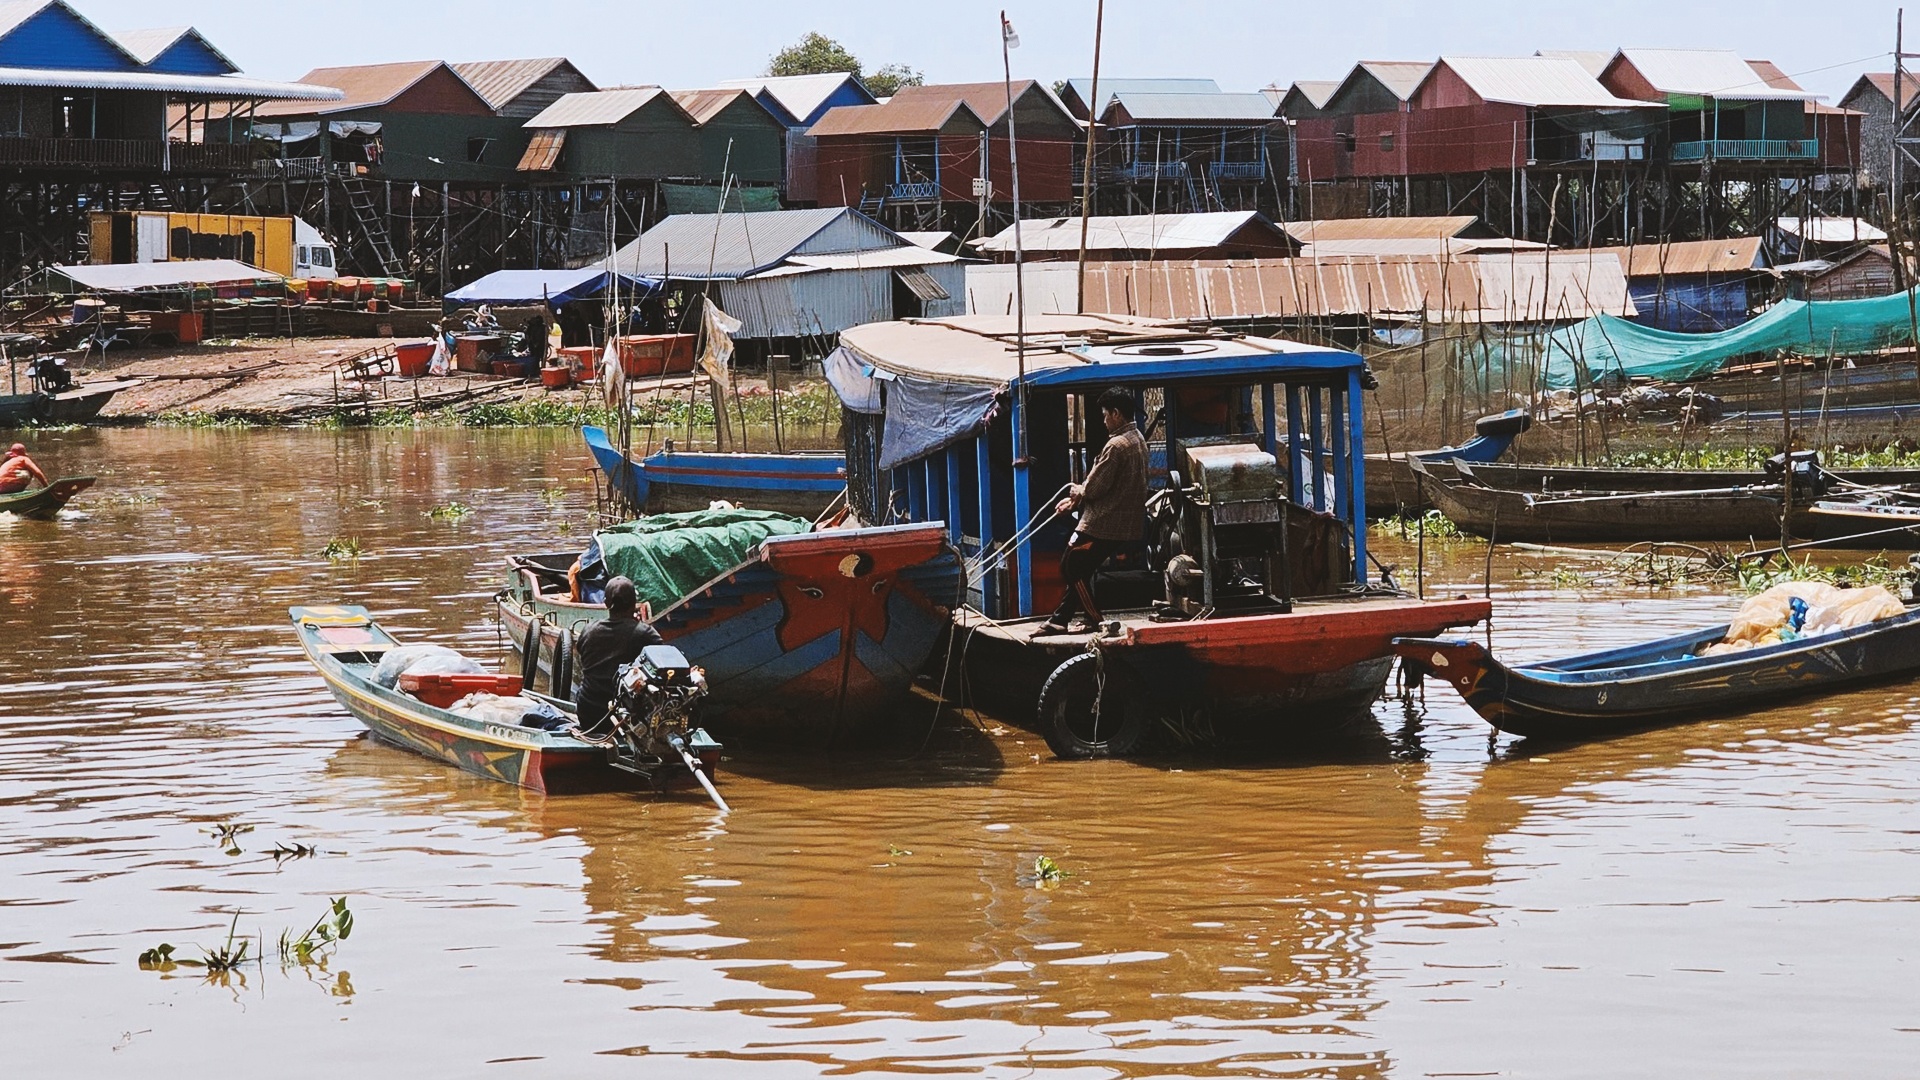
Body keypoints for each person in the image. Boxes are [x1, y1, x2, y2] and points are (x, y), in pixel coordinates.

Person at [1036, 386, 1148, 636]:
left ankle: (1094, 618)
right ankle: (1061, 618)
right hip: (1122, 521)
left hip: (1103, 521)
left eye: (1106, 415)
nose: (1104, 421)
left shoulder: (1116, 446)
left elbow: (1095, 487)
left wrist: (1076, 492)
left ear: (1116, 414)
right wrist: (1075, 501)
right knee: (1081, 568)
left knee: (1071, 564)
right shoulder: (1138, 439)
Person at [573, 576, 665, 731]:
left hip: (589, 713)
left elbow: (582, 655)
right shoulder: (644, 633)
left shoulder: (588, 630)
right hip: (628, 718)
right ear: (634, 604)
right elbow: (663, 661)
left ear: (606, 603)